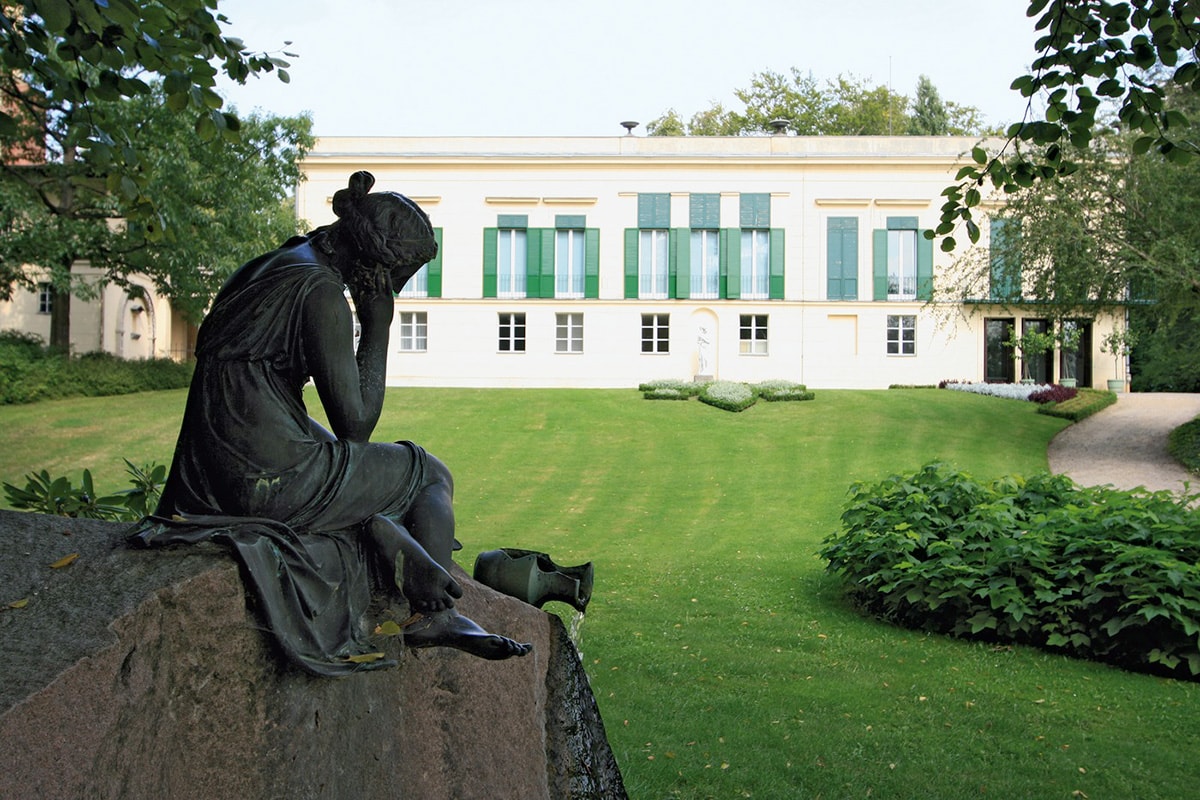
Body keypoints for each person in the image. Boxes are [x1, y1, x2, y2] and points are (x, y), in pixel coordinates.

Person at [132, 171, 530, 672]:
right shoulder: (321, 294)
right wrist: (379, 324)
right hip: (266, 478)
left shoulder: (272, 264)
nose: (397, 288)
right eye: (398, 278)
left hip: (212, 473)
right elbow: (356, 426)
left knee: (368, 473)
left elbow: (258, 393)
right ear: (374, 266)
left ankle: (385, 529)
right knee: (428, 472)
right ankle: (437, 615)